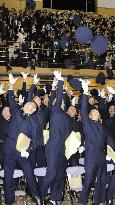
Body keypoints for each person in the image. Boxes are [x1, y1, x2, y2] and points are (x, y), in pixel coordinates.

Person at [3, 73, 41, 205]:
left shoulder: (35, 123)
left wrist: (29, 150)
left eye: (30, 106)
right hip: (9, 148)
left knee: (30, 176)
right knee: (8, 177)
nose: (26, 105)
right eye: (26, 105)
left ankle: (38, 198)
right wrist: (11, 84)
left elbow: (36, 141)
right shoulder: (16, 111)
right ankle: (9, 201)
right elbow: (11, 98)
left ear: (34, 109)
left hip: (23, 151)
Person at [79, 80, 115, 205]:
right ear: (89, 116)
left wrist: (114, 153)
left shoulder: (103, 127)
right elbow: (84, 108)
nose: (96, 113)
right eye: (93, 112)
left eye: (97, 112)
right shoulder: (87, 123)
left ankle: (98, 201)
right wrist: (84, 92)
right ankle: (83, 201)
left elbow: (110, 141)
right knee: (88, 180)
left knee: (102, 180)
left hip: (102, 155)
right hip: (91, 155)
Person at [40, 71, 70, 205]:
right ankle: (40, 195)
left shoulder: (65, 115)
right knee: (51, 174)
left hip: (62, 147)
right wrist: (60, 82)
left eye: (62, 101)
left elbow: (64, 98)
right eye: (59, 101)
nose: (61, 102)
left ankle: (54, 198)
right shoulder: (54, 110)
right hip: (53, 145)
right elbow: (56, 97)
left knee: (60, 175)